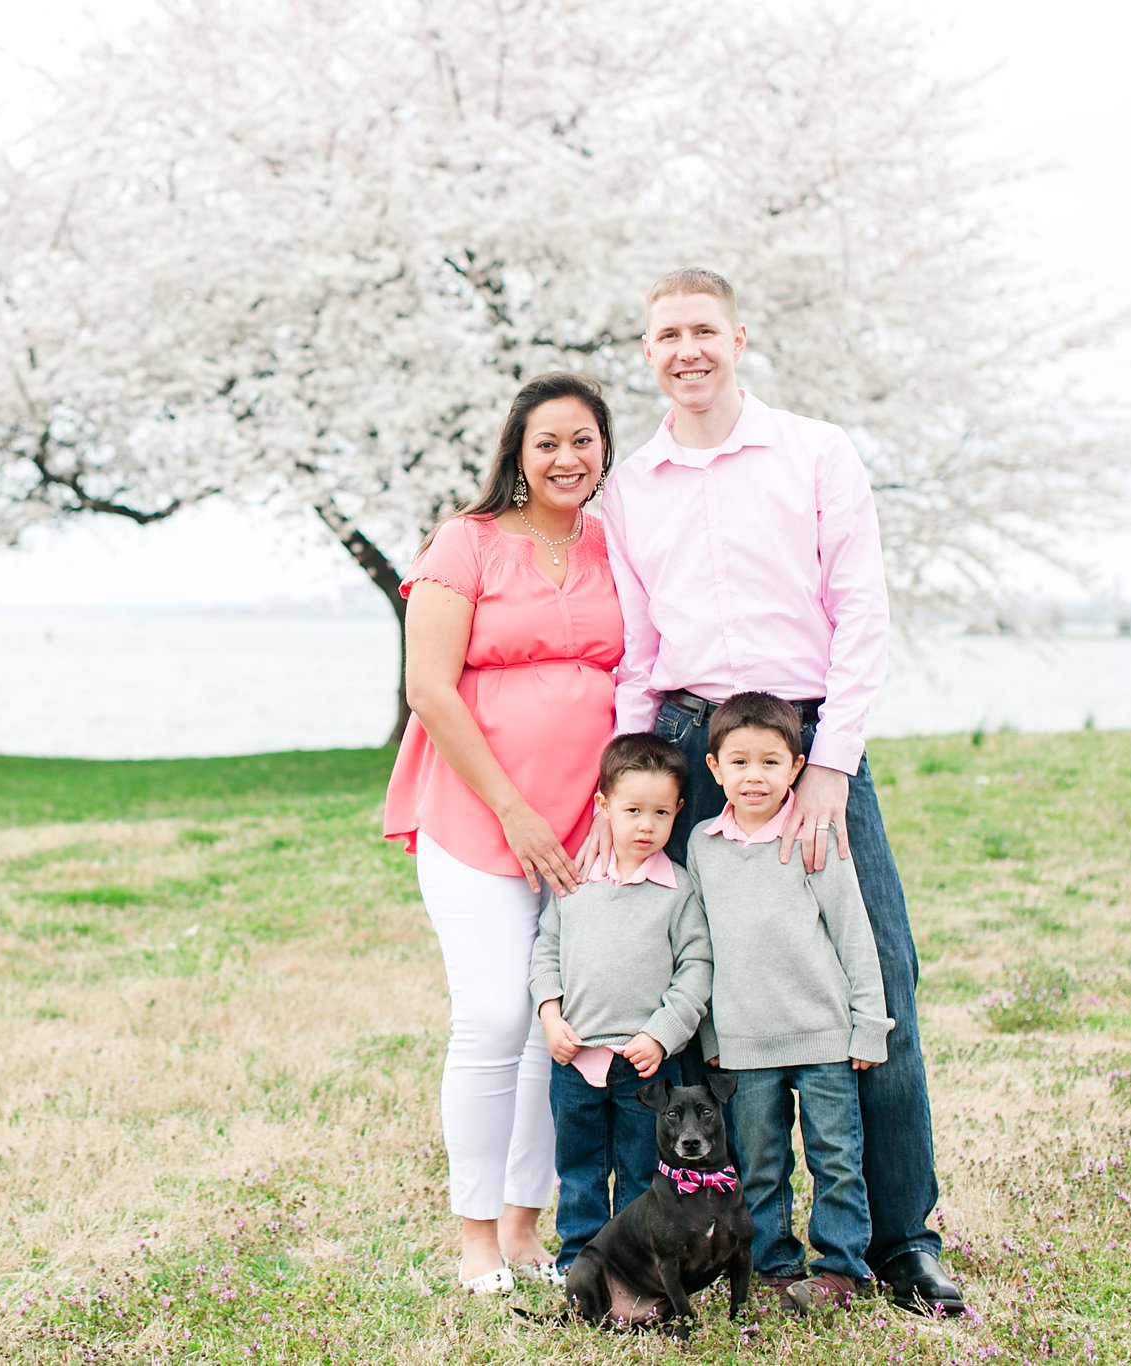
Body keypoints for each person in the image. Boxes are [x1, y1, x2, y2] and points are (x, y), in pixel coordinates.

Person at [597, 265, 968, 1318]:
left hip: (804, 739)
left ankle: (899, 1241)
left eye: (703, 329)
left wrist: (830, 764)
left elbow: (859, 615)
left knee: (872, 981)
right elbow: (634, 651)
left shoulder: (815, 452)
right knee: (698, 987)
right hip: (683, 742)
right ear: (646, 351)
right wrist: (631, 786)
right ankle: (722, 1244)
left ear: (739, 336)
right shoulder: (630, 487)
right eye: (665, 333)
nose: (687, 350)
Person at [384, 371, 622, 1294]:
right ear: (518, 456)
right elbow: (429, 689)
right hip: (480, 816)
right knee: (491, 1016)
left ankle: (526, 1226)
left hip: (585, 828)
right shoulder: (467, 543)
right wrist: (515, 810)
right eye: (548, 443)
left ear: (605, 452)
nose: (567, 458)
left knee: (550, 1029)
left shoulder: (613, 546)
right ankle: (475, 1236)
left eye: (584, 441)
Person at [688, 691, 892, 1312]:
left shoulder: (814, 834)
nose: (756, 777)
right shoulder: (702, 844)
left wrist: (868, 1026)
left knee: (836, 1157)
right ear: (715, 768)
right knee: (760, 1160)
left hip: (824, 1033)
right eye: (740, 762)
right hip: (745, 1040)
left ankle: (840, 1268)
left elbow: (853, 931)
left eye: (772, 763)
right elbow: (700, 945)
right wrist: (714, 1039)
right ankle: (775, 1266)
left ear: (797, 767)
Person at [528, 732, 710, 1274]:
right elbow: (546, 952)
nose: (646, 826)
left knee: (640, 1169)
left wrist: (661, 1034)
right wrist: (549, 1014)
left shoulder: (678, 891)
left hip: (644, 1064)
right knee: (580, 1168)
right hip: (575, 1057)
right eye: (632, 810)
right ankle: (580, 1264)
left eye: (660, 812)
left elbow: (696, 970)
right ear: (603, 807)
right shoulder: (576, 884)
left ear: (679, 810)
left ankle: (637, 1264)